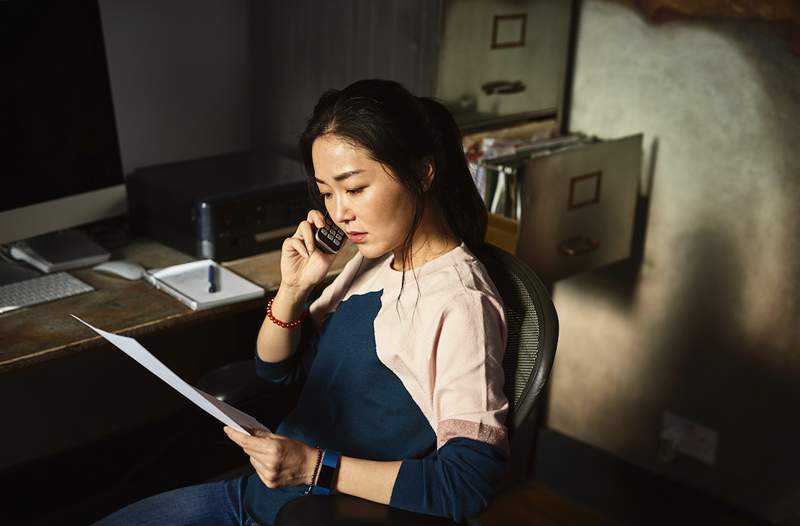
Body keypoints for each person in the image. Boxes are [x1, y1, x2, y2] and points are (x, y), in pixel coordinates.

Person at [94, 78, 509, 526]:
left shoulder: (460, 303)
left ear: (423, 173)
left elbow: (466, 484)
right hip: (261, 494)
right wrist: (292, 290)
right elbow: (275, 371)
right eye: (327, 193)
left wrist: (312, 466)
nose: (340, 213)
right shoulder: (373, 259)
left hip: (320, 513)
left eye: (354, 188)